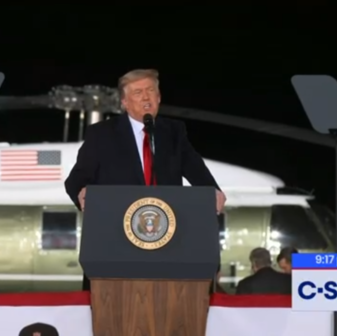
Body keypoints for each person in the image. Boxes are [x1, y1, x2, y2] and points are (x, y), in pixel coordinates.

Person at [65, 69, 225, 291]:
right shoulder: (101, 134)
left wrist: (213, 192)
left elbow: (195, 168)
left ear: (159, 98)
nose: (146, 97)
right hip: (115, 246)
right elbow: (75, 180)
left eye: (151, 91)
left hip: (167, 244)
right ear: (124, 102)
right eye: (138, 92)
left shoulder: (173, 132)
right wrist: (81, 192)